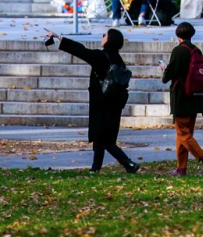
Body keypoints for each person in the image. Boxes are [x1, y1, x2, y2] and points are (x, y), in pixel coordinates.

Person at [45, 27, 140, 174]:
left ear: (109, 40)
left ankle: (128, 163)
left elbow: (81, 51)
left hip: (102, 103)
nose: (102, 37)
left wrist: (59, 37)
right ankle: (95, 168)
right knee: (100, 137)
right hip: (115, 103)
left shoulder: (101, 57)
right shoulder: (118, 60)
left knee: (103, 139)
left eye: (104, 35)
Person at [160, 21, 203, 176]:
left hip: (181, 97)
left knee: (183, 134)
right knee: (185, 134)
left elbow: (169, 75)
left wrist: (165, 70)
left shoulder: (178, 51)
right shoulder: (196, 50)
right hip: (195, 97)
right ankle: (181, 168)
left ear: (178, 36)